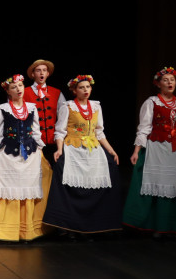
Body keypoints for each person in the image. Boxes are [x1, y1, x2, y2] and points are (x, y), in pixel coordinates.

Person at [123, 66, 176, 236]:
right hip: (157, 148)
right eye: (165, 80)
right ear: (158, 83)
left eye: (172, 80)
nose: (170, 83)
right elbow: (144, 128)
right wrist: (136, 150)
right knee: (159, 185)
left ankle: (175, 227)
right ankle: (159, 226)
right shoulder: (152, 102)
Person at [0, 74, 54, 242]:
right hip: (8, 155)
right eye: (14, 87)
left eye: (20, 86)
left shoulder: (32, 108)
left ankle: (27, 230)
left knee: (29, 188)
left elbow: (36, 133)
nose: (18, 89)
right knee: (3, 187)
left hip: (29, 156)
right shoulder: (1, 109)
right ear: (8, 92)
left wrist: (42, 154)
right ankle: (4, 229)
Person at [43, 75, 124, 236]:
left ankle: (95, 225)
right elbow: (60, 131)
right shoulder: (68, 106)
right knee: (72, 184)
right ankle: (70, 226)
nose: (85, 90)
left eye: (88, 87)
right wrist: (59, 149)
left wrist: (111, 150)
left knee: (107, 172)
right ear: (74, 90)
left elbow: (99, 132)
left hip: (93, 149)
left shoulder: (96, 107)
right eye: (81, 87)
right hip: (74, 148)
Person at [23, 59, 68, 163]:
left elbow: (63, 117)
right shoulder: (24, 93)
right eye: (38, 70)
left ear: (48, 74)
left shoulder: (57, 93)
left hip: (54, 141)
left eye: (44, 70)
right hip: (33, 142)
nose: (42, 73)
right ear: (33, 74)